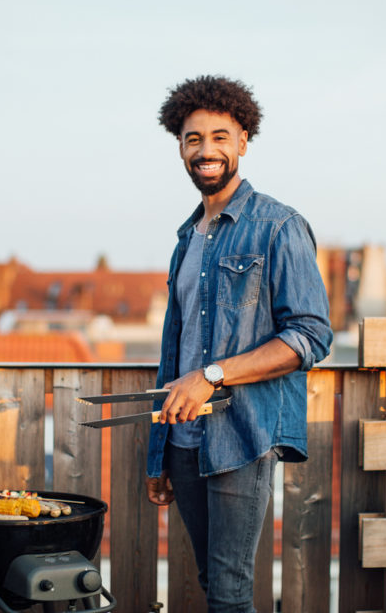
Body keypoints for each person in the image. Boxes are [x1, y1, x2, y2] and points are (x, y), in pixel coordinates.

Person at [145, 75, 332, 613]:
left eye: (220, 137)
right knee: (212, 583)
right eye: (193, 138)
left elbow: (310, 335)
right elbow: (173, 354)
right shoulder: (186, 238)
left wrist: (213, 376)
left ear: (243, 141)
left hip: (241, 439)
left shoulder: (279, 226)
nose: (206, 150)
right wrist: (159, 457)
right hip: (183, 444)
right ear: (180, 147)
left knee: (229, 593)